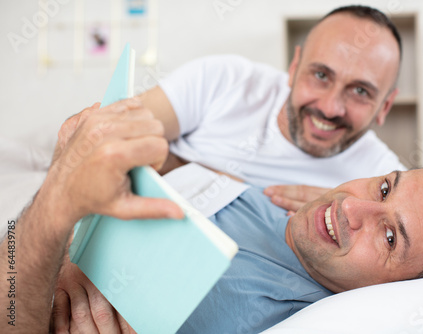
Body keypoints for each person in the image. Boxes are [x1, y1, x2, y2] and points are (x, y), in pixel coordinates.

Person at [2, 99, 423, 333]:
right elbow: (172, 167)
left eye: (390, 237)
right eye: (385, 187)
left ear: (403, 290)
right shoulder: (288, 208)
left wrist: (58, 214)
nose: (350, 207)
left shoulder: (269, 318)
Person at [138, 5, 406, 213]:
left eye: (361, 91)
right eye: (321, 75)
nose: (330, 107)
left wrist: (344, 212)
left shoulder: (384, 180)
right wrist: (237, 192)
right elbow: (111, 134)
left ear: (385, 107)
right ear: (294, 67)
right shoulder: (223, 81)